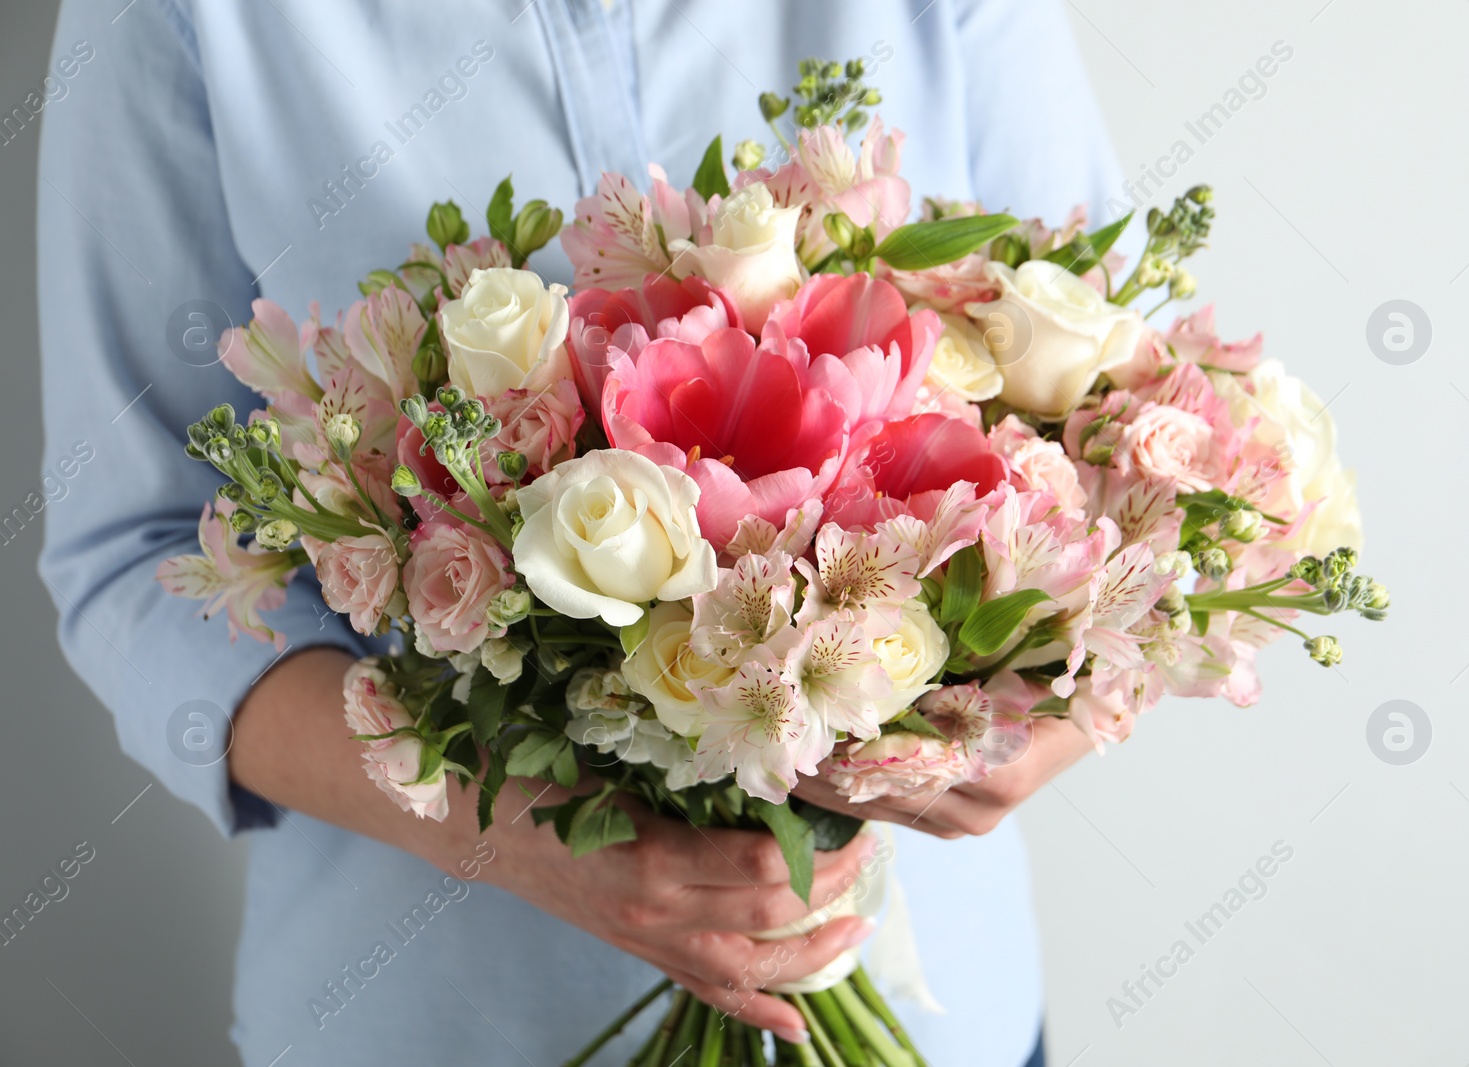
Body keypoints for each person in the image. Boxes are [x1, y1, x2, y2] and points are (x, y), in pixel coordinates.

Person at [38, 1, 1125, 1063]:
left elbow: (1124, 435)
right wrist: (500, 827)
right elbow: (138, 556)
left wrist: (1032, 724)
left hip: (940, 1005)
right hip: (440, 1016)